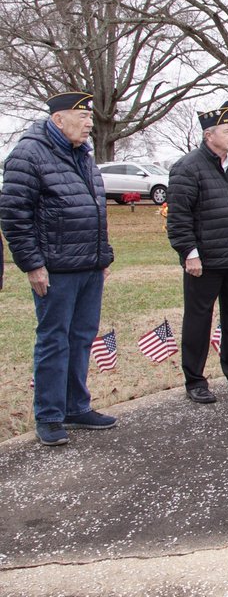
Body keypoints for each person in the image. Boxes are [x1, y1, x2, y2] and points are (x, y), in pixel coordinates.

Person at [1, 92, 116, 446]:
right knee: (54, 340)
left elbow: (95, 209)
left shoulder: (82, 154)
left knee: (81, 338)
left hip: (88, 265)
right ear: (57, 120)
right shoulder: (29, 154)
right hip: (55, 269)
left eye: (89, 119)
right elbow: (14, 215)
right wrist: (33, 264)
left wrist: (103, 257)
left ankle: (75, 406)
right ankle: (49, 414)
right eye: (81, 117)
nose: (88, 124)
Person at [166, 101, 228, 404]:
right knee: (199, 320)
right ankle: (195, 380)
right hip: (205, 260)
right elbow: (178, 217)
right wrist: (189, 253)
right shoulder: (188, 167)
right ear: (210, 135)